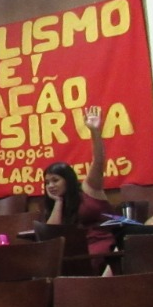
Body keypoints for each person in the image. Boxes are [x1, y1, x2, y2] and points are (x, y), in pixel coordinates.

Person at [44, 105, 113, 257]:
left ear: (67, 180)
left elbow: (99, 161)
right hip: (75, 250)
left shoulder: (89, 189)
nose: (51, 186)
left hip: (103, 244)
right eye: (47, 182)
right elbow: (51, 234)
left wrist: (95, 131)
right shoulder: (57, 204)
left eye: (55, 180)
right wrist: (58, 202)